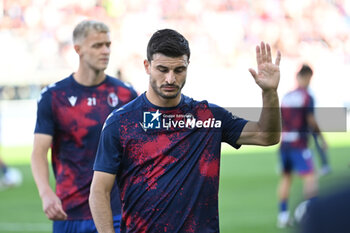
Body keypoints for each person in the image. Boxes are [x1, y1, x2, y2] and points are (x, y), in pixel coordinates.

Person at [89, 29, 281, 233]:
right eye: (162, 69)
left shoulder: (209, 118)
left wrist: (269, 93)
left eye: (179, 70)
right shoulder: (121, 123)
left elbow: (267, 136)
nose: (170, 79)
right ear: (147, 66)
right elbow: (99, 191)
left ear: (188, 66)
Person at [31, 20, 138, 233]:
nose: (105, 51)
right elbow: (39, 152)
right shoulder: (54, 97)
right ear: (78, 49)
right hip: (69, 211)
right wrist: (46, 193)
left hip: (115, 210)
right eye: (97, 46)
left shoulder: (126, 95)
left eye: (108, 44)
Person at [276, 64, 327, 228]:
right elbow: (311, 120)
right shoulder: (306, 96)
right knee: (311, 177)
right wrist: (321, 138)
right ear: (307, 77)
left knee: (286, 178)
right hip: (299, 144)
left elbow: (281, 119)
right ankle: (310, 215)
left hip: (285, 143)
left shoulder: (287, 96)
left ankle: (283, 216)